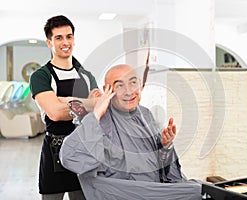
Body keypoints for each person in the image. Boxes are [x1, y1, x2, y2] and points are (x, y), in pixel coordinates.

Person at [60, 64, 202, 199]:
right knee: (198, 192)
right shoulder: (100, 120)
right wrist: (96, 113)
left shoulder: (145, 114)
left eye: (133, 83)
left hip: (154, 189)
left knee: (205, 189)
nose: (128, 91)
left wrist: (165, 146)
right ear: (107, 90)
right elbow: (70, 157)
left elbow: (162, 167)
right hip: (126, 193)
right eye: (119, 85)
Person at [29, 15, 100, 200]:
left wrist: (66, 100)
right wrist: (87, 104)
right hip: (55, 152)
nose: (65, 42)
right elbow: (56, 113)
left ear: (74, 40)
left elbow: (100, 107)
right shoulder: (41, 76)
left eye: (69, 36)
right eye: (58, 38)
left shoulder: (86, 75)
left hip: (85, 148)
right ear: (49, 42)